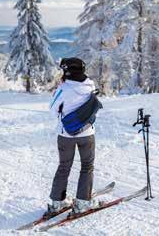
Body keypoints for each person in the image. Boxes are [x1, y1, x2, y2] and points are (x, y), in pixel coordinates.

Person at [47, 57, 99, 215]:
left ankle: (57, 203)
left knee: (64, 167)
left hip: (65, 135)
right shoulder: (90, 85)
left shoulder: (63, 89)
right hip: (87, 133)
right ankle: (83, 202)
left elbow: (52, 109)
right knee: (87, 167)